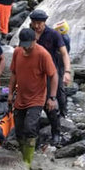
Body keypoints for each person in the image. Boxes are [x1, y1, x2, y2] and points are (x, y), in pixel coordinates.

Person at [8, 28, 58, 167]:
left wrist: (52, 98)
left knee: (30, 128)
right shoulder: (18, 52)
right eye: (23, 44)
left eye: (28, 44)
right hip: (21, 97)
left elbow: (53, 75)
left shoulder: (42, 54)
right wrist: (10, 93)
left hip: (37, 97)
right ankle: (26, 154)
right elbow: (14, 74)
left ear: (35, 40)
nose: (26, 48)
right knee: (18, 131)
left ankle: (27, 164)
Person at [29, 9, 72, 143]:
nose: (37, 26)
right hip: (33, 73)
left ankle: (56, 131)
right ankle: (32, 135)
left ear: (45, 22)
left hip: (50, 73)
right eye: (34, 23)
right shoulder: (28, 34)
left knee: (51, 103)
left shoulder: (53, 34)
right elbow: (22, 51)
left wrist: (67, 72)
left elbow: (64, 53)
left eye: (39, 23)